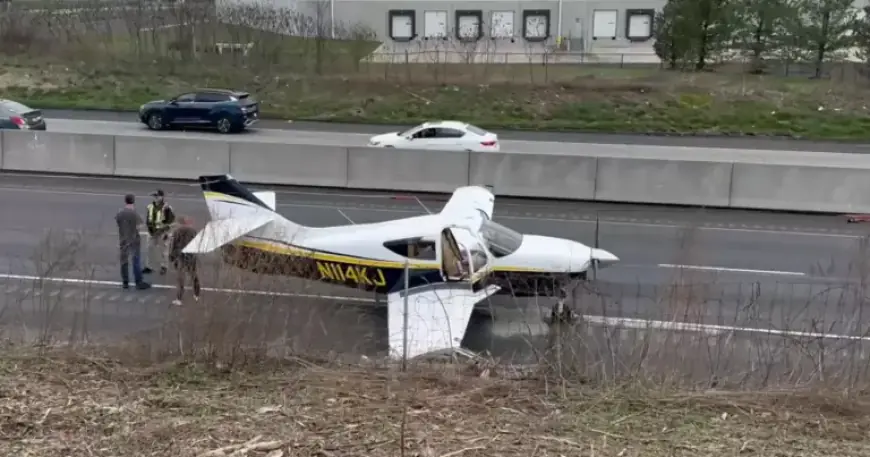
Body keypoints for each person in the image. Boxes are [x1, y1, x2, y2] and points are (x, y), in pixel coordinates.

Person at [115, 194, 151, 290]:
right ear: (133, 201)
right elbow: (140, 226)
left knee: (124, 261)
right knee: (136, 261)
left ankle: (125, 282)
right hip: (134, 239)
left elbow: (118, 222)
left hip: (123, 239)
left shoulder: (120, 213)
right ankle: (138, 282)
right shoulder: (134, 214)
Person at [169, 215, 201, 306]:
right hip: (191, 255)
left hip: (181, 257)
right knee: (194, 275)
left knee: (181, 278)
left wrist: (171, 257)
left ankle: (179, 298)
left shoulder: (176, 231)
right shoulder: (193, 231)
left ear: (179, 223)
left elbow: (173, 245)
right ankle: (197, 294)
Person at [144, 189, 175, 276]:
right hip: (152, 232)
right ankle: (149, 266)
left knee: (164, 251)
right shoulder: (150, 206)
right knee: (149, 249)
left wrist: (166, 232)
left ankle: (164, 267)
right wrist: (150, 229)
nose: (155, 198)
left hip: (162, 232)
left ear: (162, 197)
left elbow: (170, 221)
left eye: (157, 196)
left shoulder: (167, 208)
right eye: (154, 196)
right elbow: (148, 219)